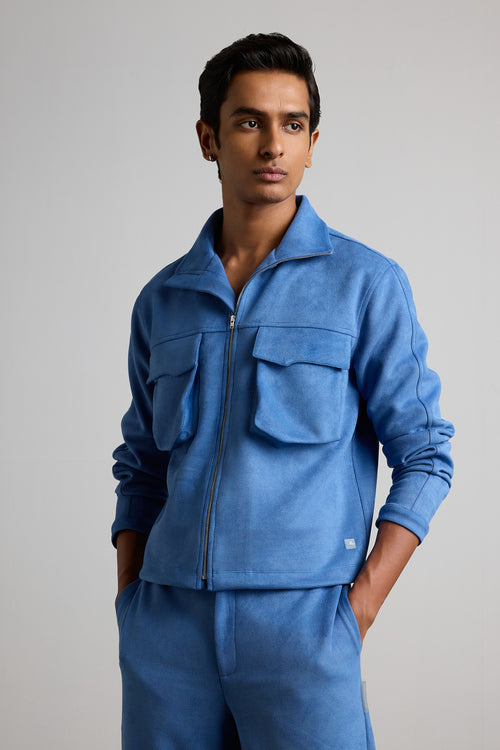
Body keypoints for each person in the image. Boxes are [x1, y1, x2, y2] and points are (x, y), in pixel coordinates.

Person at [111, 32, 454, 749]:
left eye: (292, 124)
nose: (273, 145)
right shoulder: (163, 300)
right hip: (167, 633)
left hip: (303, 630)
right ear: (208, 139)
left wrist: (356, 611)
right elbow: (141, 467)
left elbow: (425, 456)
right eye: (249, 122)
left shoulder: (365, 284)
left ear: (312, 142)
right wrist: (132, 600)